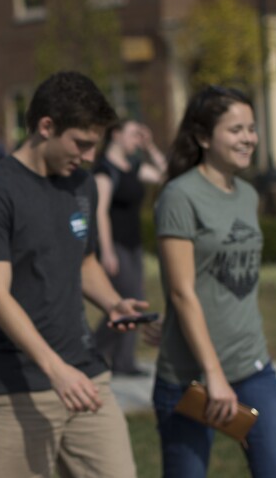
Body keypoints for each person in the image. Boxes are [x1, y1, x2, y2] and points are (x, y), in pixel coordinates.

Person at [0, 71, 149, 478]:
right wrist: (54, 368)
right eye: (81, 143)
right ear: (46, 127)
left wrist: (113, 303)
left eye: (95, 145)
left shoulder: (82, 184)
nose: (88, 157)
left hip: (86, 374)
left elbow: (84, 262)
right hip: (16, 386)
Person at [152, 85, 276, 477]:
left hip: (253, 367)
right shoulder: (180, 197)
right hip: (189, 379)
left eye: (251, 128)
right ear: (202, 137)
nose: (248, 138)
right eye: (235, 129)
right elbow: (182, 291)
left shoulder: (247, 194)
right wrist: (214, 376)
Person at [92, 119, 166, 376]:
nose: (138, 139)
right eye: (134, 134)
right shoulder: (105, 170)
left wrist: (151, 147)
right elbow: (100, 212)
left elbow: (166, 176)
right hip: (116, 245)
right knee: (127, 302)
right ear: (116, 134)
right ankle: (97, 351)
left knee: (134, 301)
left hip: (134, 244)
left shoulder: (133, 167)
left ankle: (121, 361)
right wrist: (107, 251)